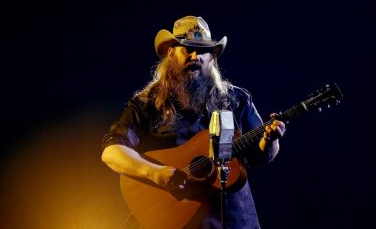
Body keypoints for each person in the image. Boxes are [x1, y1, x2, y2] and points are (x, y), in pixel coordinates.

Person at [101, 15, 286, 229]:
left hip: (234, 219)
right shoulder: (147, 104)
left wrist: (270, 140)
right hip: (175, 221)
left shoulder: (236, 100)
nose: (195, 56)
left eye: (203, 50)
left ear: (212, 58)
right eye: (187, 48)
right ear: (171, 53)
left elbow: (261, 156)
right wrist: (156, 173)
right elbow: (111, 151)